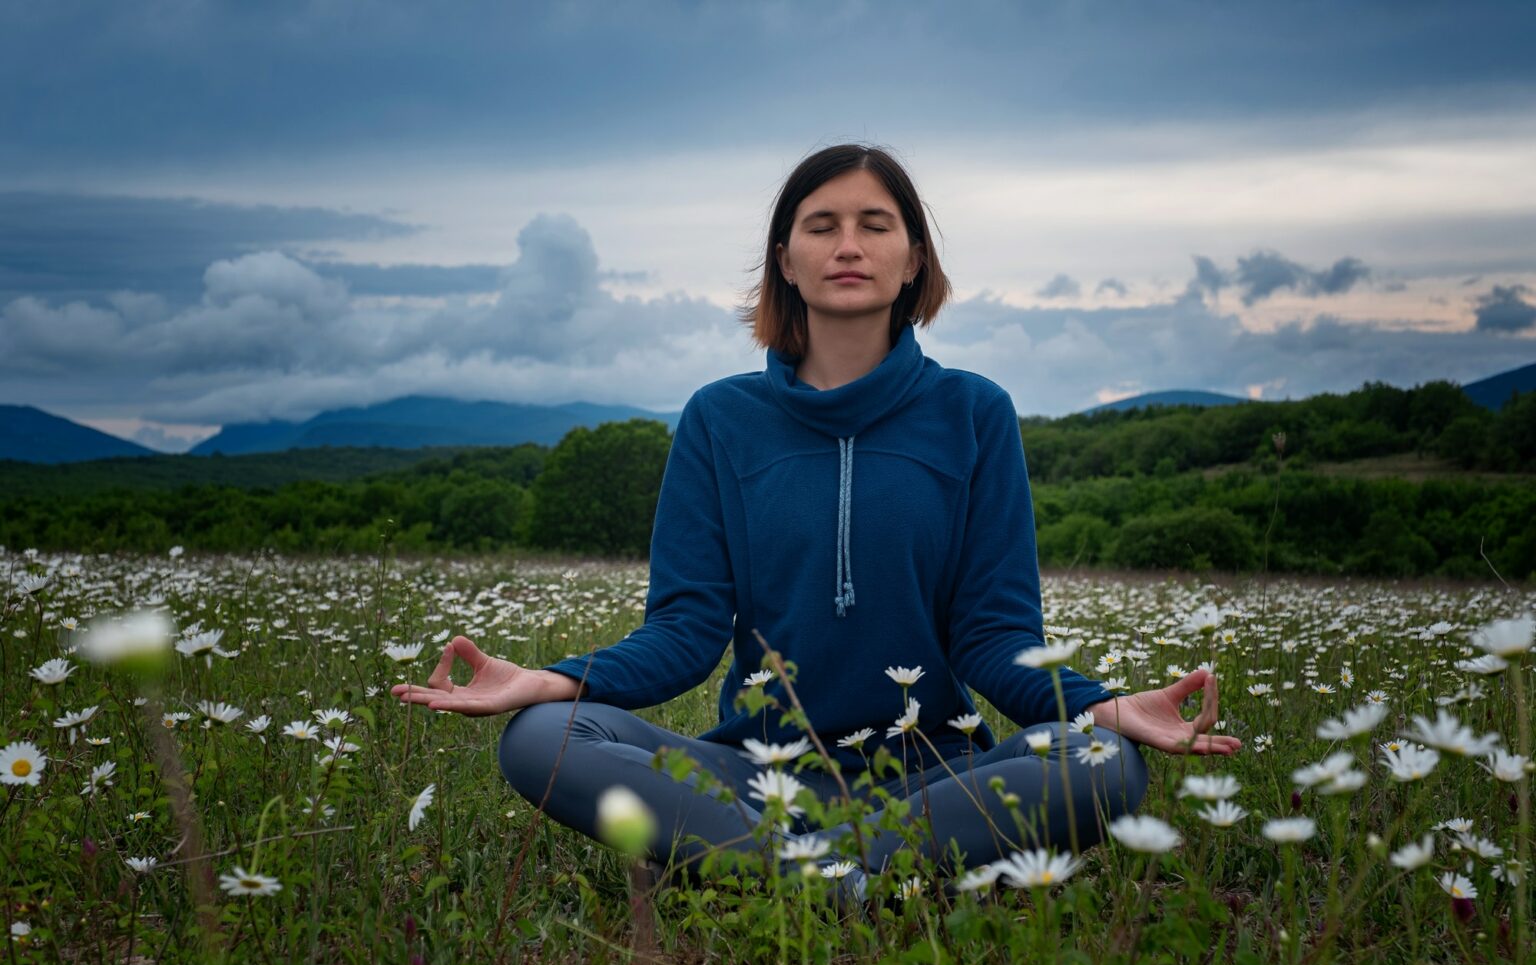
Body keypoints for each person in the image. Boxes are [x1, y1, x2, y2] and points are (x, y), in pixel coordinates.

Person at [392, 144, 1239, 894]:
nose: (847, 245)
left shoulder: (974, 412)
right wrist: (555, 679)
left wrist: (1103, 707)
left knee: (1103, 766)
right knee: (542, 739)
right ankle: (861, 871)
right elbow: (686, 631)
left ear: (913, 260)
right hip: (758, 772)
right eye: (821, 224)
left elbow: (994, 635)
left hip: (938, 769)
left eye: (876, 224)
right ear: (785, 262)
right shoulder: (719, 419)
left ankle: (782, 869)